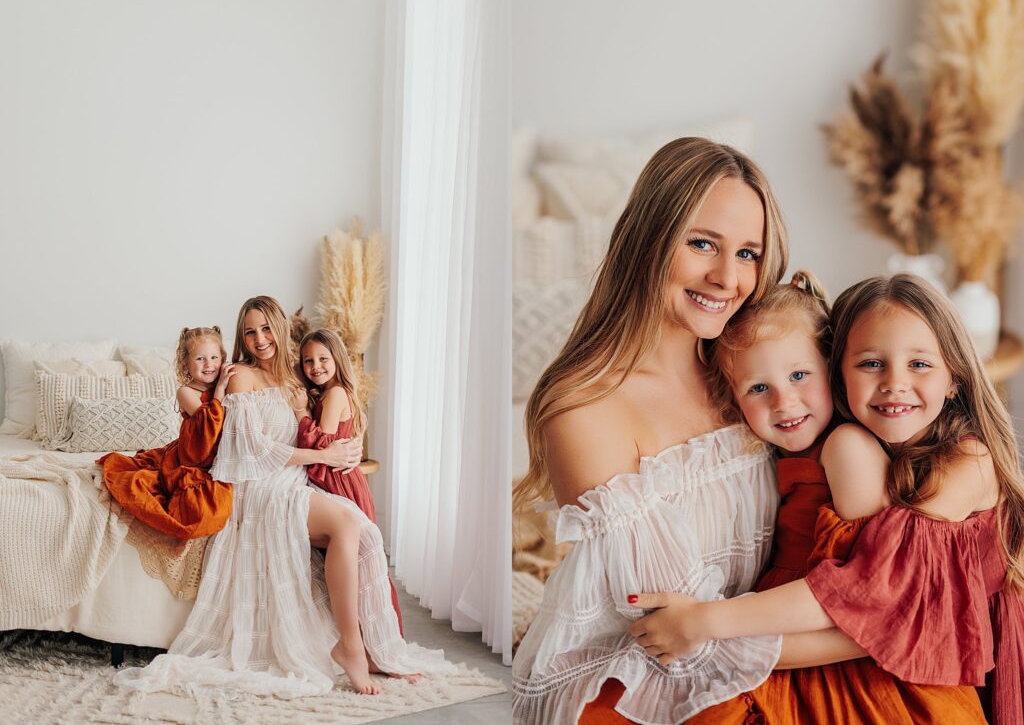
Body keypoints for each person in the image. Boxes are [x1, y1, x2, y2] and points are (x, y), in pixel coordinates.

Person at [630, 274, 1024, 723]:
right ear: (838, 374)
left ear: (955, 379)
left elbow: (876, 602)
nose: (894, 383)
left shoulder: (965, 461)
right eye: (871, 363)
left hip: (945, 658)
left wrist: (710, 627)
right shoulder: (854, 448)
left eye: (919, 364)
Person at [511, 137, 790, 725]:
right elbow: (673, 628)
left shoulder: (753, 378)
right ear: (649, 241)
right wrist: (859, 635)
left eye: (748, 254)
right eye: (702, 244)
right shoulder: (584, 409)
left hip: (755, 647)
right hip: (634, 680)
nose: (726, 277)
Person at [115, 296, 452, 698]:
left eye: (265, 328)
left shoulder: (297, 376)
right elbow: (251, 451)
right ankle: (351, 648)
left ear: (279, 328)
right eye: (249, 332)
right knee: (346, 522)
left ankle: (368, 643)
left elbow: (330, 412)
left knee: (361, 532)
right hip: (257, 487)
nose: (259, 339)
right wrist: (322, 455)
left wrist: (347, 442)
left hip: (292, 479)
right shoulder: (240, 376)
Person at [296, 327, 403, 632]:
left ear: (337, 359)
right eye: (308, 361)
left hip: (336, 480)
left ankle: (366, 634)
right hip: (344, 478)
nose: (315, 367)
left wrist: (300, 414)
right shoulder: (333, 392)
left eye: (322, 359)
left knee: (354, 559)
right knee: (354, 561)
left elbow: (321, 445)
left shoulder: (335, 394)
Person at [100, 326, 234, 539]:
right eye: (200, 359)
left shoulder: (229, 383)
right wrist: (219, 392)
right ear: (186, 364)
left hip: (220, 454)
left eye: (214, 357)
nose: (209, 364)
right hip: (193, 456)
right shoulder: (187, 392)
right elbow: (207, 427)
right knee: (202, 511)